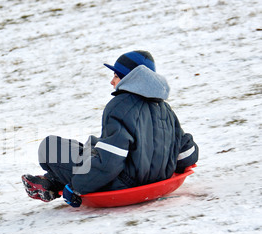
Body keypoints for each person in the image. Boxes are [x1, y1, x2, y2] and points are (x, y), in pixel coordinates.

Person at [22, 50, 199, 207]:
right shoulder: (165, 109)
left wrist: (76, 187)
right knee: (95, 144)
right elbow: (187, 155)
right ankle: (52, 181)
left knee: (51, 147)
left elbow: (108, 164)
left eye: (116, 75)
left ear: (131, 78)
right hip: (158, 178)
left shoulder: (119, 106)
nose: (111, 81)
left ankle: (54, 181)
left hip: (121, 183)